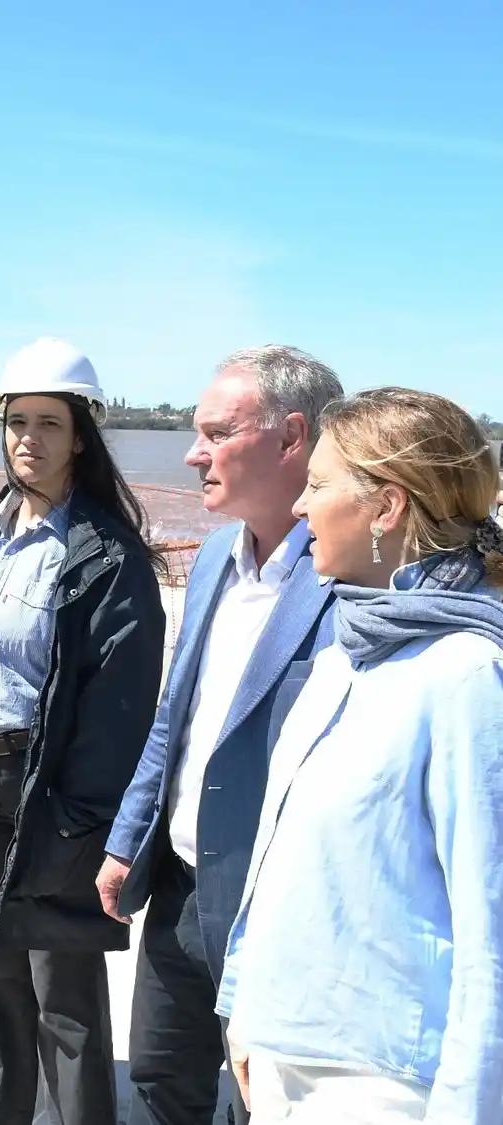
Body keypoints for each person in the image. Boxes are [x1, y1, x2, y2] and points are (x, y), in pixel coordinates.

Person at [0, 338, 167, 1125]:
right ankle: (1, 1110)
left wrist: (79, 822)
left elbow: (117, 712)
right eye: (18, 422)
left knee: (65, 997)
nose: (29, 439)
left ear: (80, 435)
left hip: (49, 791)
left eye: (49, 422)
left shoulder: (108, 559)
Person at [219, 388, 503, 1123]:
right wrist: (249, 1003)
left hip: (381, 1084)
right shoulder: (348, 652)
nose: (300, 509)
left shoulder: (466, 674)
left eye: (316, 486)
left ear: (386, 508)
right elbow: (281, 855)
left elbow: (490, 933)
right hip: (286, 1055)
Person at [98, 346, 345, 1125]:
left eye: (215, 432)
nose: (191, 452)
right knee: (159, 1086)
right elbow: (177, 713)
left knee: (258, 1102)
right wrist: (127, 839)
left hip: (280, 912)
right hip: (177, 886)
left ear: (291, 437)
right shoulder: (212, 557)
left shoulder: (358, 580)